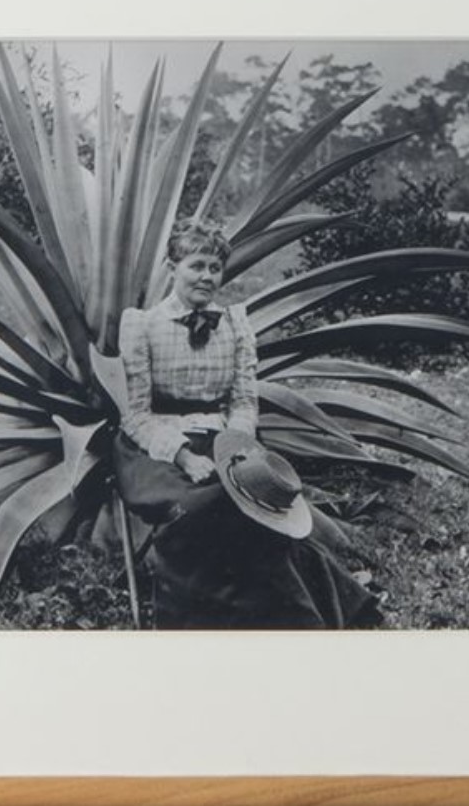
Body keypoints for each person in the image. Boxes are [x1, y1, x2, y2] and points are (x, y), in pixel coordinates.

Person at [114, 217, 382, 630]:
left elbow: (243, 400)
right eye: (196, 265)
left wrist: (235, 448)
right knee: (208, 506)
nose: (206, 276)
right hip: (156, 448)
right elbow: (135, 415)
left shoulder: (236, 326)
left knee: (254, 503)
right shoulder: (142, 326)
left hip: (223, 442)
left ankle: (297, 615)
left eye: (214, 268)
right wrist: (184, 457)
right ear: (173, 268)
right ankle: (272, 618)